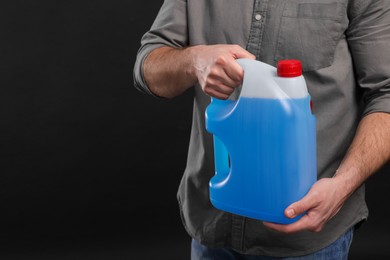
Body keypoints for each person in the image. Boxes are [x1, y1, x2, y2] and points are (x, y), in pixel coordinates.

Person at [133, 0, 390, 259]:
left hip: (307, 235)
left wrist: (343, 185)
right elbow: (147, 66)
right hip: (212, 224)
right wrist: (194, 59)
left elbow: (386, 95)